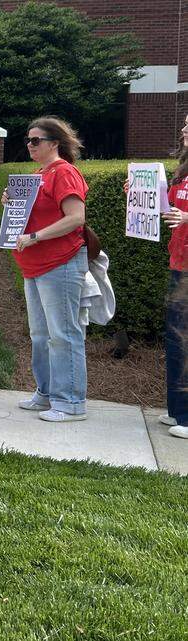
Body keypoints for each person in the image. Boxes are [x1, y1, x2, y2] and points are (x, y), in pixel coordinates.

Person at [3, 116, 89, 422]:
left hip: (60, 263)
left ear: (55, 143)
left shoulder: (64, 173)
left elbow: (75, 217)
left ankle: (70, 402)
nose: (29, 145)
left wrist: (35, 237)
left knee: (63, 334)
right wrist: (12, 206)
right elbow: (34, 214)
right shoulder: (38, 175)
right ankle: (47, 393)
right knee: (41, 334)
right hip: (35, 265)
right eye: (28, 140)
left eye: (36, 140)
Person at [154, 114, 188, 435]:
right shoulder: (183, 171)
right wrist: (141, 193)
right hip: (179, 264)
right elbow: (169, 209)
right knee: (176, 339)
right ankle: (177, 412)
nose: (183, 129)